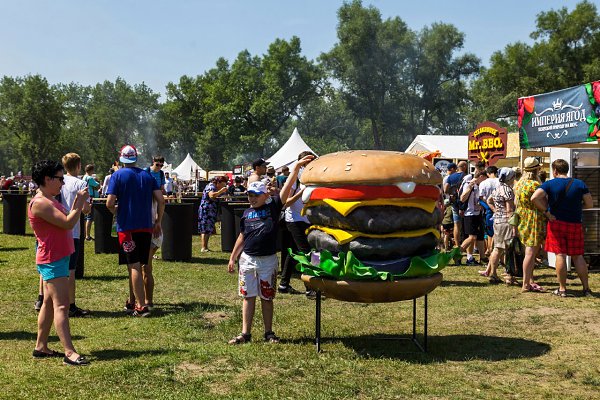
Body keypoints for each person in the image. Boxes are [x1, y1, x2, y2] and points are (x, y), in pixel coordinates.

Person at [226, 160, 311, 345]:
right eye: (250, 195)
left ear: (265, 195)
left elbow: (286, 188)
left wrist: (296, 168)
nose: (252, 198)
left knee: (266, 297)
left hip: (267, 261)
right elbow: (242, 236)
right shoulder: (246, 214)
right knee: (248, 297)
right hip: (247, 260)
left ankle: (269, 333)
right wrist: (233, 257)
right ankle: (245, 334)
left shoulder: (273, 207)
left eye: (256, 195)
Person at [28, 160, 90, 366]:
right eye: (60, 179)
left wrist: (77, 204)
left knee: (48, 303)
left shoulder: (49, 199)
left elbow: (65, 220)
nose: (63, 183)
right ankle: (69, 352)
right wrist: (79, 203)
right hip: (52, 259)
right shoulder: (40, 203)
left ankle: (41, 346)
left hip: (57, 257)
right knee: (62, 305)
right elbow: (68, 223)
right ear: (47, 179)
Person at [106, 145, 165, 316]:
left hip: (127, 228)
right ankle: (132, 301)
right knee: (137, 265)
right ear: (136, 157)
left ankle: (141, 305)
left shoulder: (117, 175)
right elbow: (161, 200)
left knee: (134, 266)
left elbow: (109, 203)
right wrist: (158, 221)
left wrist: (117, 211)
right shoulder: (147, 176)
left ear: (121, 158)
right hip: (146, 227)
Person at [531, 159, 593, 297]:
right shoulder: (580, 184)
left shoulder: (549, 184)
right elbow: (589, 204)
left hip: (556, 223)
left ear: (555, 171)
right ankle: (586, 289)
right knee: (578, 256)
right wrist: (577, 209)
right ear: (567, 169)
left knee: (560, 255)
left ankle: (562, 289)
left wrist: (546, 212)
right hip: (575, 223)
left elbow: (534, 198)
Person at [278, 151, 317, 297]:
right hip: (295, 220)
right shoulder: (295, 179)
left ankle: (283, 284)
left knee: (294, 252)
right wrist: (302, 193)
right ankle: (310, 287)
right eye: (306, 163)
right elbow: (286, 203)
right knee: (308, 252)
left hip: (308, 220)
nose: (309, 166)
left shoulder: (313, 178)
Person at [60, 153, 92, 317]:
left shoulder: (59, 181)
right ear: (79, 166)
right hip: (73, 231)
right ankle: (70, 305)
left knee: (57, 268)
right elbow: (86, 209)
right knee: (71, 270)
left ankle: (47, 300)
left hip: (58, 227)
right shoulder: (81, 183)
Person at [514, 157, 546, 293]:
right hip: (534, 218)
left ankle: (530, 280)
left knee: (528, 251)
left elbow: (516, 203)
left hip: (522, 218)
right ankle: (526, 284)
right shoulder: (535, 185)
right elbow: (542, 203)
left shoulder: (519, 184)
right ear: (536, 170)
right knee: (531, 253)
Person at [480, 168, 516, 284]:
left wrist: (496, 211)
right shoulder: (508, 190)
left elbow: (489, 200)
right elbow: (510, 210)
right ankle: (509, 275)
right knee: (508, 249)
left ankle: (493, 273)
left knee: (497, 248)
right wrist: (513, 225)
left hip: (497, 221)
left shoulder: (497, 188)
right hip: (506, 221)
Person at [143, 155, 167, 310]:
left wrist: (158, 222)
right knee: (144, 267)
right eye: (157, 164)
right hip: (152, 230)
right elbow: (161, 201)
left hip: (151, 230)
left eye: (161, 165)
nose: (159, 167)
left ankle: (147, 301)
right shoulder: (147, 173)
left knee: (145, 268)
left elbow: (162, 201)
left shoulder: (152, 196)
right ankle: (142, 299)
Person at [458, 171, 487, 265]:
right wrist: (470, 187)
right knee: (472, 237)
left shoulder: (479, 186)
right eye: (485, 178)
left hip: (478, 213)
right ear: (481, 176)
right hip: (470, 214)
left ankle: (483, 257)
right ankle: (457, 254)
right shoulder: (469, 184)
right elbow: (462, 198)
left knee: (480, 236)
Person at [198, 176, 228, 252]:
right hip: (206, 210)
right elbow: (211, 195)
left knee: (208, 229)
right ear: (218, 182)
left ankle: (205, 247)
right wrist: (221, 191)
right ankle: (203, 247)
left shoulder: (215, 187)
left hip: (211, 210)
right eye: (222, 185)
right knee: (205, 229)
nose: (222, 187)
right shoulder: (211, 186)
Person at [443, 161, 467, 255]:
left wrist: (451, 193)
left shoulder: (450, 177)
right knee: (464, 224)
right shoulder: (466, 176)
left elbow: (445, 189)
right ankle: (465, 245)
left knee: (456, 225)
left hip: (454, 202)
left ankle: (457, 245)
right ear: (464, 167)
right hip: (464, 203)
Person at [478, 166, 499, 258]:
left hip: (488, 210)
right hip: (500, 208)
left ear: (487, 173)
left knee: (489, 232)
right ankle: (493, 251)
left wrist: (487, 207)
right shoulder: (501, 182)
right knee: (497, 232)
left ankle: (490, 251)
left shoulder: (483, 183)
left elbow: (480, 198)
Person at [83, 164, 100, 241]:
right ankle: (87, 236)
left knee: (86, 217)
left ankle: (85, 234)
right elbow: (98, 186)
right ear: (91, 170)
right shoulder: (90, 178)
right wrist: (97, 181)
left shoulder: (84, 177)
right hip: (91, 198)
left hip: (86, 198)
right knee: (90, 217)